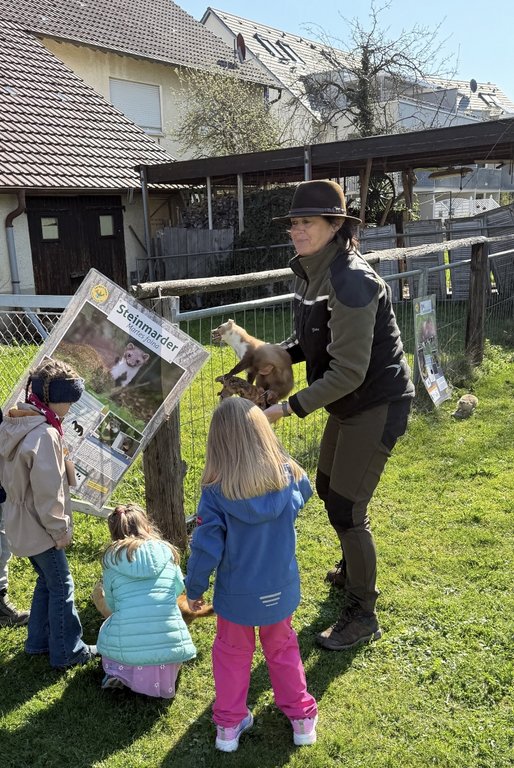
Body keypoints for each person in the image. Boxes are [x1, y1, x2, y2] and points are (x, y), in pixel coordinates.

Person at [265, 180, 415, 651]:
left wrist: (287, 407)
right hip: (347, 401)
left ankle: (363, 612)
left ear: (335, 226)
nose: (297, 230)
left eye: (307, 221)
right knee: (330, 491)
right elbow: (314, 342)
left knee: (349, 507)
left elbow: (349, 370)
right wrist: (271, 357)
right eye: (293, 222)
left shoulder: (352, 281)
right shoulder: (313, 273)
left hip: (375, 402)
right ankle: (353, 569)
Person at [185, 397, 317, 753]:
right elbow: (305, 491)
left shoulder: (214, 495)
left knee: (231, 654)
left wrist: (194, 589)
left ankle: (228, 725)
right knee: (283, 647)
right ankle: (302, 719)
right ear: (263, 435)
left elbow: (205, 549)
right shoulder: (288, 476)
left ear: (219, 444)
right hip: (281, 589)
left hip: (237, 597)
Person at [0, 358, 96, 667]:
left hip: (18, 521)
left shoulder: (18, 419)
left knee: (46, 580)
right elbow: (47, 492)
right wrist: (60, 531)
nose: (71, 406)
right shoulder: (45, 435)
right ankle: (69, 650)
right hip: (39, 527)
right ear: (55, 398)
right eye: (69, 400)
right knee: (63, 584)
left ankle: (38, 641)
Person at [97, 502, 196, 697]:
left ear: (114, 534)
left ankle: (120, 673)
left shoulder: (112, 561)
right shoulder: (167, 552)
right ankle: (160, 679)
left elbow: (112, 606)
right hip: (170, 648)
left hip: (127, 648)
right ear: (147, 526)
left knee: (111, 629)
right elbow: (178, 588)